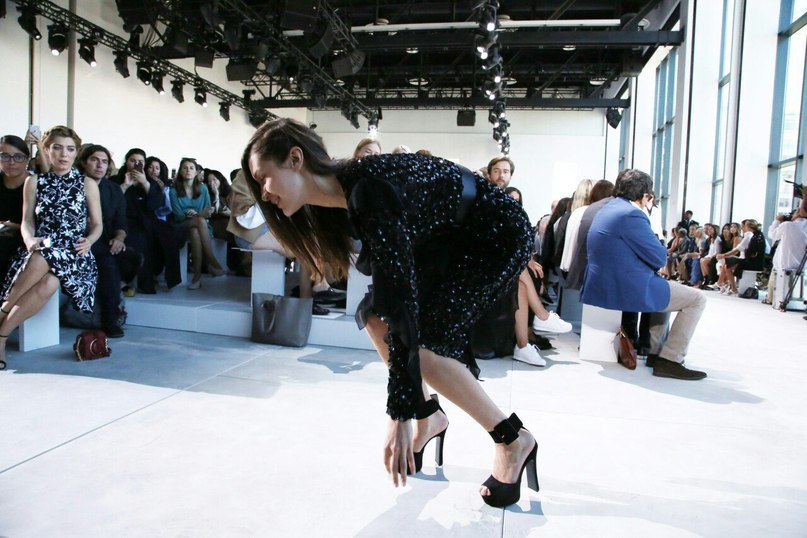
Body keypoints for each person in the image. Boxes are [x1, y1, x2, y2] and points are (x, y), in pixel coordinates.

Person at [242, 118, 539, 507]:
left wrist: (398, 414)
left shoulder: (368, 187)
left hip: (493, 234)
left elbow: (402, 304)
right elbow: (392, 301)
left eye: (263, 178)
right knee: (374, 318)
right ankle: (429, 416)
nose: (264, 194)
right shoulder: (342, 195)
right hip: (449, 232)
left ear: (295, 159)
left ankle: (512, 440)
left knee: (425, 346)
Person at [581, 169, 707, 380]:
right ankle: (670, 359)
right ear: (646, 196)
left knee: (665, 289)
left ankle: (655, 353)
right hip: (625, 287)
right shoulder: (632, 214)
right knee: (697, 299)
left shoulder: (608, 208)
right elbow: (659, 258)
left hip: (603, 282)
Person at [0, 126, 101, 367]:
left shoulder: (87, 183)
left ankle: (2, 313)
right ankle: (2, 337)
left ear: (76, 153)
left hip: (74, 253)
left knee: (43, 259)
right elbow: (27, 221)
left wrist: (90, 240)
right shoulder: (34, 181)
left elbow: (98, 225)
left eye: (70, 149)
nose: (64, 154)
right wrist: (29, 239)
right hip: (41, 246)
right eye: (57, 148)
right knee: (48, 279)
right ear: (47, 150)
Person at [77, 144, 143, 338]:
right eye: (94, 160)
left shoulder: (113, 189)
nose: (100, 165)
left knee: (132, 258)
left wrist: (119, 238)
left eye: (104, 161)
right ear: (84, 162)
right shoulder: (74, 185)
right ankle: (109, 320)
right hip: (81, 240)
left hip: (105, 239)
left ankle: (114, 298)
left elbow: (121, 221)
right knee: (109, 264)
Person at [170, 158, 226, 289]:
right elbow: (178, 216)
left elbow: (207, 211)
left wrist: (199, 214)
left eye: (191, 168)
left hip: (201, 227)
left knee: (195, 231)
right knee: (199, 221)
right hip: (181, 226)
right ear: (180, 171)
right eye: (185, 168)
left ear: (196, 172)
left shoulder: (203, 188)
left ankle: (197, 277)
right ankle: (212, 262)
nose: (188, 170)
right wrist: (198, 215)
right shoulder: (174, 191)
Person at [0, 135, 32, 280]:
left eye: (18, 157)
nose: (11, 162)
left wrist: (15, 227)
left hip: (25, 240)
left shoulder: (36, 184)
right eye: (5, 156)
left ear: (27, 159)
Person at [768, 191, 807, 308]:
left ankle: (777, 301)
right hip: (802, 265)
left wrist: (777, 221)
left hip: (785, 264)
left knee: (779, 286)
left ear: (799, 213)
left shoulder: (787, 225)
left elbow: (772, 235)